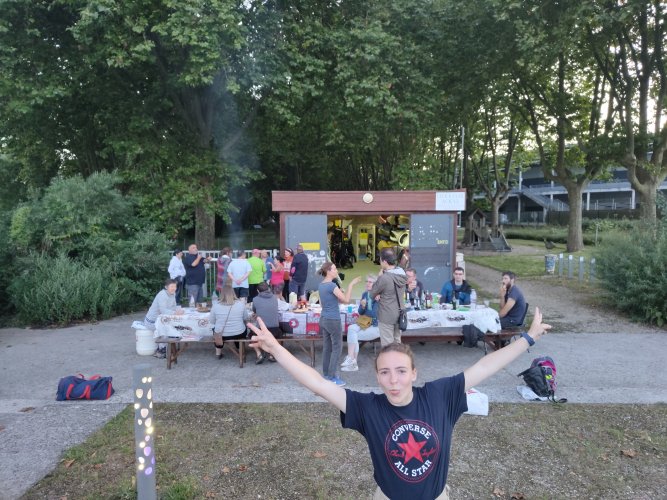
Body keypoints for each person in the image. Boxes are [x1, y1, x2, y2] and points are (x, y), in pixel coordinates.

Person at [248, 304, 551, 499]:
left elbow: (485, 367)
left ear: (414, 373)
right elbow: (317, 383)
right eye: (385, 372)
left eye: (401, 371)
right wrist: (276, 348)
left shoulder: (440, 395)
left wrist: (529, 338)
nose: (394, 380)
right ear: (377, 377)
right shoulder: (368, 408)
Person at [317, 262, 361, 386]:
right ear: (328, 271)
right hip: (333, 320)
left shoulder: (321, 285)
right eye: (335, 269)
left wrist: (335, 297)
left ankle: (326, 374)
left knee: (327, 347)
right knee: (337, 348)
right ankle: (332, 377)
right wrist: (351, 284)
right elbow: (346, 300)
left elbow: (322, 304)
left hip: (324, 318)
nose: (336, 270)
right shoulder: (332, 286)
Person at [341, 274, 380, 372]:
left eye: (370, 282)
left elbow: (375, 314)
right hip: (365, 323)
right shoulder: (365, 294)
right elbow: (360, 312)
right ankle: (351, 359)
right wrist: (362, 307)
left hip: (376, 326)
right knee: (351, 328)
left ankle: (353, 362)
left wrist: (372, 303)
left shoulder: (379, 296)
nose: (367, 283)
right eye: (366, 281)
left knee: (354, 336)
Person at [370, 248, 407, 346]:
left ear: (385, 261)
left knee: (387, 346)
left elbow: (372, 293)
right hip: (400, 313)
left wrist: (379, 277)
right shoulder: (402, 274)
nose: (380, 262)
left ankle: (389, 361)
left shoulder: (384, 278)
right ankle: (399, 361)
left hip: (387, 315)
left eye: (380, 260)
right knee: (397, 343)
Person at [210, 280, 250, 360]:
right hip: (239, 332)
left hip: (222, 334)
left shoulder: (216, 305)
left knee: (216, 331)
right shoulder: (240, 304)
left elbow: (212, 321)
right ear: (233, 293)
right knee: (240, 331)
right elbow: (245, 318)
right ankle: (240, 349)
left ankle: (218, 353)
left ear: (221, 294)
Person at [144, 278, 184, 358]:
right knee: (167, 329)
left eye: (175, 286)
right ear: (166, 287)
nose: (174, 288)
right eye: (172, 286)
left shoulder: (172, 294)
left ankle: (167, 349)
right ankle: (161, 351)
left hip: (161, 319)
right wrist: (175, 312)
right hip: (152, 321)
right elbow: (163, 310)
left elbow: (173, 306)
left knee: (174, 326)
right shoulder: (162, 295)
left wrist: (179, 310)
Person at [251, 282, 282, 363]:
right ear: (268, 289)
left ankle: (259, 354)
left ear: (258, 291)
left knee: (252, 335)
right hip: (275, 330)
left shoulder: (255, 299)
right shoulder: (275, 298)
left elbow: (254, 310)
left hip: (261, 330)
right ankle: (272, 354)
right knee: (278, 332)